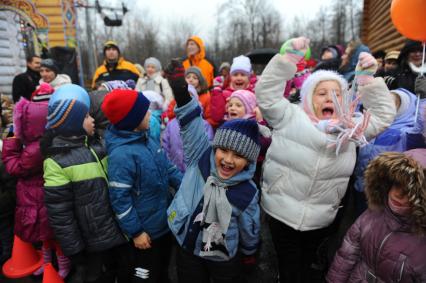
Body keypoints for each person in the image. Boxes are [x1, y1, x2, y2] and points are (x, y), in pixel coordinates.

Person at [255, 37, 396, 283]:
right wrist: (286, 61)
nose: (329, 98)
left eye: (336, 93)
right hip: (280, 211)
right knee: (288, 268)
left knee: (309, 268)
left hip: (322, 219)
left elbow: (384, 116)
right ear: (309, 97)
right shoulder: (290, 115)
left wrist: (367, 82)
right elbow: (266, 95)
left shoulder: (351, 129)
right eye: (321, 93)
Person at [166, 67, 261, 283]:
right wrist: (182, 94)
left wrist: (249, 252)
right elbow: (191, 126)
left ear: (248, 161)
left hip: (220, 255)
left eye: (238, 156)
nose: (228, 159)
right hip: (186, 244)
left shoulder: (247, 190)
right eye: (224, 151)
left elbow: (250, 225)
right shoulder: (201, 158)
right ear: (215, 148)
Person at [40, 84, 129, 282]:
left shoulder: (97, 145)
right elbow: (60, 212)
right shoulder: (56, 161)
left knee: (123, 271)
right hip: (92, 240)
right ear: (73, 123)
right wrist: (74, 248)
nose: (93, 119)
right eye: (87, 116)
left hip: (116, 230)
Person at [101, 89, 182, 283]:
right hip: (145, 232)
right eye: (145, 111)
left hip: (162, 223)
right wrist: (136, 232)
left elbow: (168, 169)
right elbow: (120, 200)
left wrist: (188, 187)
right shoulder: (122, 156)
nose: (150, 114)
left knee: (162, 268)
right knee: (146, 274)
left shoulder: (148, 139)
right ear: (132, 120)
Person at [2, 90, 72, 278]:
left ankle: (61, 265)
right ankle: (48, 263)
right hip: (39, 196)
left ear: (30, 125)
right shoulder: (40, 142)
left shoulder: (34, 150)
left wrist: (10, 142)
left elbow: (15, 167)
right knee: (45, 236)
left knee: (51, 235)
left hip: (39, 197)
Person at [326, 152, 426, 283]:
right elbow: (347, 256)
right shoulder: (372, 215)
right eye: (397, 184)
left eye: (409, 191)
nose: (398, 194)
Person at [353, 83, 426, 215]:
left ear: (405, 108)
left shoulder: (406, 132)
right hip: (360, 186)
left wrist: (423, 100)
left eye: (394, 103)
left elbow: (419, 131)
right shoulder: (368, 123)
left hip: (386, 192)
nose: (387, 106)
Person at [162, 85, 214, 173]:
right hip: (175, 171)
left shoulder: (204, 125)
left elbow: (208, 148)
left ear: (196, 101)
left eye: (189, 97)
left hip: (197, 173)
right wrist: (170, 168)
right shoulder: (171, 125)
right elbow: (165, 147)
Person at [210, 55, 257, 124]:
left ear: (249, 77)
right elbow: (216, 117)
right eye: (235, 75)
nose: (239, 78)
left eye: (243, 75)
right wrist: (217, 92)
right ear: (230, 77)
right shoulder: (224, 94)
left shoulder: (254, 94)